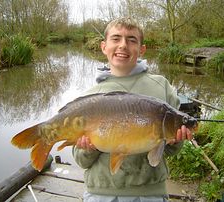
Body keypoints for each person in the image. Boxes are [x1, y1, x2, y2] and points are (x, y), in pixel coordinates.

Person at [72, 17, 193, 202]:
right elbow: (82, 161)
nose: (123, 45)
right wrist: (87, 148)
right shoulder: (91, 97)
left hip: (151, 193)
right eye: (116, 38)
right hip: (100, 193)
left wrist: (175, 141)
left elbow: (169, 152)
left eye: (131, 40)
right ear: (104, 47)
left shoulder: (161, 87)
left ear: (142, 49)